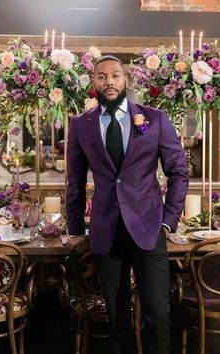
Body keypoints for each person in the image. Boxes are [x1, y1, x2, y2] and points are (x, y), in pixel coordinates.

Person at [66, 55, 189, 354]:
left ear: (126, 80)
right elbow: (75, 181)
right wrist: (74, 227)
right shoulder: (81, 125)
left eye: (115, 75)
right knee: (116, 315)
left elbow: (179, 171)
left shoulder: (154, 118)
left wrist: (167, 220)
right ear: (93, 82)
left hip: (149, 228)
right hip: (105, 229)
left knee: (158, 313)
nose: (109, 81)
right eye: (101, 76)